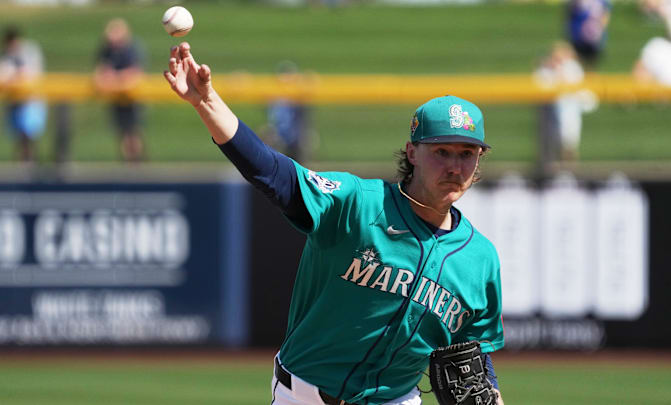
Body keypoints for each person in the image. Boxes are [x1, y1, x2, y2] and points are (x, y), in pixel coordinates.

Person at [164, 42, 505, 405]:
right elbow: (273, 172)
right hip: (305, 397)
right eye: (442, 152)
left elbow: (473, 359)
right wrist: (206, 103)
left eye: (467, 154)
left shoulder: (480, 259)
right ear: (412, 153)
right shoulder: (356, 203)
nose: (455, 167)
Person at [534, 41, 598, 165]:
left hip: (569, 111)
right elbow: (539, 86)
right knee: (549, 148)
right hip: (548, 114)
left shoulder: (572, 68)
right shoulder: (545, 70)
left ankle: (570, 169)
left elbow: (585, 95)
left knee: (569, 145)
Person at [94, 18, 145, 162]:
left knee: (133, 132)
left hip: (131, 98)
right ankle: (127, 164)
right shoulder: (106, 50)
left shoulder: (131, 49)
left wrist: (114, 78)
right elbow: (100, 73)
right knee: (121, 132)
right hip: (115, 97)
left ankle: (137, 163)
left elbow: (134, 74)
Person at [0, 26, 47, 163]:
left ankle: (31, 162)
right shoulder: (6, 55)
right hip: (15, 101)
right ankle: (22, 164)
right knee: (18, 135)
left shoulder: (30, 51)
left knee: (30, 133)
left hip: (31, 100)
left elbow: (31, 73)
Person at [264, 60, 311, 163]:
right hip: (278, 134)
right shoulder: (274, 96)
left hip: (295, 137)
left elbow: (304, 120)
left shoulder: (299, 96)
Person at [566, 0, 612, 70]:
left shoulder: (601, 2)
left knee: (592, 63)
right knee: (577, 62)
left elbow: (605, 15)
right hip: (578, 36)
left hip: (594, 36)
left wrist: (600, 29)